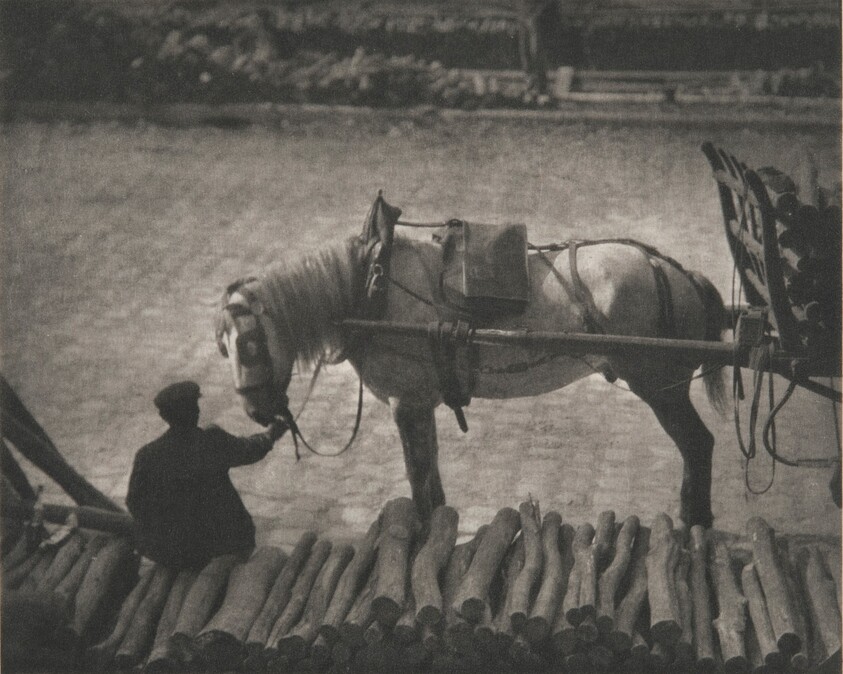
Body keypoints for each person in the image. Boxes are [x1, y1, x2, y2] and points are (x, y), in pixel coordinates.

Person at [126, 380, 286, 570]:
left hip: (172, 553)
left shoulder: (146, 455)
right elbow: (250, 450)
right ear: (195, 411)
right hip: (221, 546)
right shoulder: (211, 441)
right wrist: (271, 434)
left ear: (164, 416)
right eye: (195, 406)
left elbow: (134, 502)